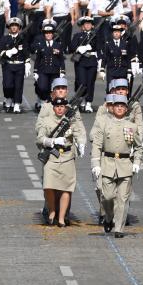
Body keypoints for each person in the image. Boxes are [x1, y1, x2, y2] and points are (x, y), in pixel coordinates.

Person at [35, 96, 86, 227]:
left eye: (62, 106)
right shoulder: (47, 121)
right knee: (48, 186)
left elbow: (79, 132)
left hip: (67, 156)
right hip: (52, 156)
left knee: (66, 188)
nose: (59, 109)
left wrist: (81, 143)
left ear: (65, 108)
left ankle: (62, 218)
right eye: (57, 106)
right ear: (53, 108)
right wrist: (52, 141)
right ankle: (52, 210)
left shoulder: (70, 120)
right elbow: (40, 138)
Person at [0, 17, 28, 113]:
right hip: (8, 65)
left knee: (18, 86)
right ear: (9, 27)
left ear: (19, 28)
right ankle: (8, 98)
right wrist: (7, 52)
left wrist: (27, 64)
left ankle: (17, 104)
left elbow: (26, 52)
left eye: (16, 26)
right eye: (12, 26)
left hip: (19, 65)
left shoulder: (23, 39)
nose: (14, 27)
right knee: (7, 85)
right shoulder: (5, 39)